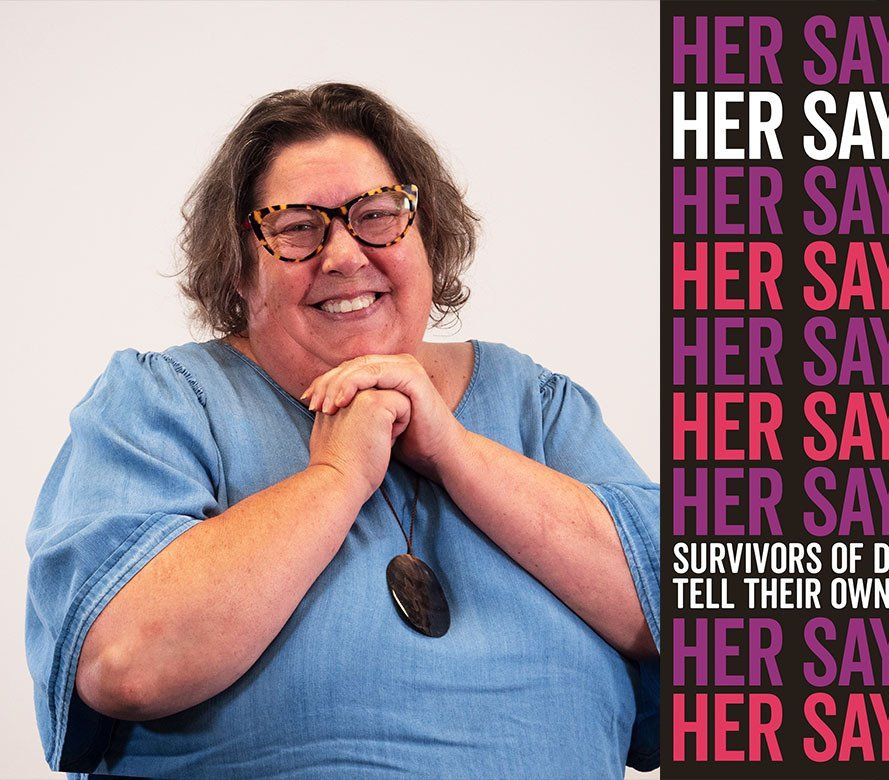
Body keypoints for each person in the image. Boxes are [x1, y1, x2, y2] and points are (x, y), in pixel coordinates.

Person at [25, 82, 660, 778]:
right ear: (239, 266)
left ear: (426, 233)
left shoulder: (538, 407)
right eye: (296, 226)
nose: (346, 255)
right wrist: (336, 478)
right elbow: (127, 662)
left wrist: (454, 450)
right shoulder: (163, 404)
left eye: (378, 216)